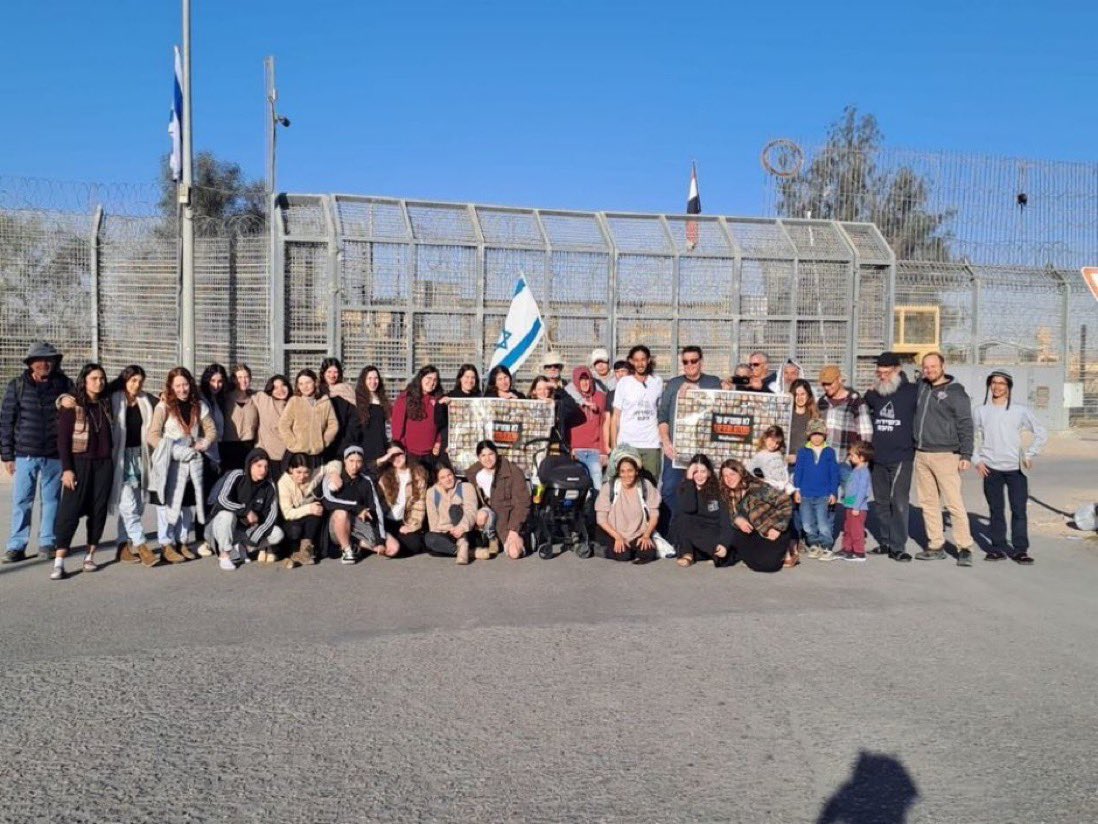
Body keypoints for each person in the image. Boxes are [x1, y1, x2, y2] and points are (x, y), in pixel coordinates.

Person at [1, 341, 73, 564]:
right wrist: (7, 455)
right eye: (39, 360)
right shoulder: (17, 385)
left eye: (49, 359)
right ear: (31, 363)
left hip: (54, 454)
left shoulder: (64, 384)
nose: (44, 364)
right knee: (22, 500)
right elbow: (6, 420)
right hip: (25, 454)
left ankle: (47, 543)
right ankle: (16, 545)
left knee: (52, 500)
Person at [973, 370, 1048, 564]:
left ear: (1009, 387)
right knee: (996, 510)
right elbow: (970, 436)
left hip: (1015, 470)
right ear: (989, 386)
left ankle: (1020, 549)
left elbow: (1040, 431)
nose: (997, 387)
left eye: (1002, 384)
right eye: (994, 383)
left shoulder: (1019, 411)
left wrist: (1030, 453)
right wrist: (976, 460)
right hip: (991, 469)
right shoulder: (981, 411)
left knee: (1019, 510)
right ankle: (997, 548)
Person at [50, 363, 114, 580]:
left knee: (98, 510)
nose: (99, 382)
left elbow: (129, 384)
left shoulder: (107, 403)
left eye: (102, 378)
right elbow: (63, 441)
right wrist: (67, 469)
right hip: (79, 464)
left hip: (104, 464)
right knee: (69, 511)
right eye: (94, 378)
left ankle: (90, 556)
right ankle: (59, 561)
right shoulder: (73, 405)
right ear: (84, 381)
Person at [147, 367, 217, 563]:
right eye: (177, 385)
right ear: (171, 386)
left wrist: (203, 443)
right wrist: (171, 450)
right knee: (167, 505)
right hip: (169, 464)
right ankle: (166, 544)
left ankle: (182, 541)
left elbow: (211, 430)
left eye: (185, 384)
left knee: (186, 505)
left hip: (191, 463)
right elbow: (152, 435)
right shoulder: (163, 407)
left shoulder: (199, 405)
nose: (182, 389)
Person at [914, 352, 976, 566]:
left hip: (946, 455)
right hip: (922, 454)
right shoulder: (922, 387)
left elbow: (966, 424)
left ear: (943, 366)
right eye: (926, 367)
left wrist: (966, 454)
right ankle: (935, 544)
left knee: (954, 503)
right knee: (928, 503)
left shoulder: (956, 393)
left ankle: (964, 547)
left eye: (933, 366)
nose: (929, 370)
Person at [656, 345, 722, 536]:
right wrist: (666, 442)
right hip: (678, 448)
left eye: (694, 361)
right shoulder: (674, 384)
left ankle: (701, 531)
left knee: (706, 492)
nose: (690, 365)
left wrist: (697, 392)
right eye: (686, 361)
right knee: (669, 490)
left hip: (704, 450)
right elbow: (663, 416)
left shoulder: (712, 382)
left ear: (701, 361)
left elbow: (720, 408)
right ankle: (680, 529)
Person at [863, 352, 918, 562]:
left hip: (902, 456)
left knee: (899, 502)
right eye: (880, 373)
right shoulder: (874, 394)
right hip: (878, 457)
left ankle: (898, 546)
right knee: (881, 502)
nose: (883, 376)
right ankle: (885, 542)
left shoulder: (913, 391)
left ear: (897, 370)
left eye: (887, 373)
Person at [106, 365, 157, 567]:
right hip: (120, 457)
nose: (137, 385)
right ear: (125, 380)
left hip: (140, 457)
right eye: (133, 380)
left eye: (140, 381)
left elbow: (164, 402)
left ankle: (122, 546)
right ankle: (142, 545)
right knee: (128, 506)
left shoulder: (146, 400)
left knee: (138, 505)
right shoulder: (113, 399)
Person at [207, 447, 283, 571]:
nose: (263, 470)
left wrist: (254, 537)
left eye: (266, 466)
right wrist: (246, 511)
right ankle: (225, 555)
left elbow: (272, 515)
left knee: (277, 533)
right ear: (250, 464)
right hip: (221, 526)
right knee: (226, 515)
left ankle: (244, 547)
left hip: (247, 530)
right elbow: (222, 499)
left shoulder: (269, 485)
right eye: (259, 466)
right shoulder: (237, 475)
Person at [714, 458, 795, 572]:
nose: (728, 479)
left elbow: (785, 501)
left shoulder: (757, 487)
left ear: (740, 473)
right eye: (725, 476)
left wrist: (777, 527)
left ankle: (788, 550)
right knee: (752, 562)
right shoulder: (727, 494)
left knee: (769, 566)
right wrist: (737, 519)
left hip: (773, 531)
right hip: (753, 532)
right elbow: (730, 515)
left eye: (732, 474)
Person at [322, 445, 392, 565]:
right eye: (351, 461)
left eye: (359, 461)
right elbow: (328, 502)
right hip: (336, 526)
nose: (355, 465)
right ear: (345, 461)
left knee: (392, 549)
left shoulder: (366, 481)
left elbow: (376, 509)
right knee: (341, 513)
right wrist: (358, 508)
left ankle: (356, 543)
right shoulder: (333, 477)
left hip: (358, 525)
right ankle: (346, 550)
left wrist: (380, 541)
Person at [465, 440, 530, 560]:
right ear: (478, 458)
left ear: (496, 454)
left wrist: (514, 529)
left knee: (514, 553)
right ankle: (490, 541)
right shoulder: (476, 474)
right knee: (481, 515)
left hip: (508, 520)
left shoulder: (512, 472)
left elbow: (522, 503)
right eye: (483, 456)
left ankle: (525, 538)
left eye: (490, 454)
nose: (487, 459)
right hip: (488, 518)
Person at [594, 448, 661, 564]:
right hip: (613, 531)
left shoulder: (645, 485)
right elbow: (601, 519)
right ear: (618, 473)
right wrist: (617, 537)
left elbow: (654, 514)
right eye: (622, 471)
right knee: (623, 555)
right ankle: (597, 548)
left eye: (630, 470)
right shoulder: (609, 487)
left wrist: (646, 535)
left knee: (649, 553)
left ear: (636, 471)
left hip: (638, 532)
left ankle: (632, 548)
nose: (626, 475)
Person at [610, 345, 664, 481]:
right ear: (631, 361)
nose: (640, 364)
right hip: (627, 444)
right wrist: (614, 447)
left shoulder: (657, 382)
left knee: (650, 485)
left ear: (648, 360)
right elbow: (615, 417)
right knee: (625, 485)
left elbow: (659, 412)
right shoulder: (624, 383)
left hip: (651, 444)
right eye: (636, 360)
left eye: (643, 359)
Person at [278, 452, 340, 567]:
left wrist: (335, 474)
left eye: (306, 472)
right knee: (296, 528)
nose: (302, 476)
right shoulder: (283, 483)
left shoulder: (313, 475)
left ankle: (305, 550)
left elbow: (335, 464)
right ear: (291, 469)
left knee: (317, 510)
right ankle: (294, 552)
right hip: (291, 520)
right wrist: (309, 508)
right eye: (298, 472)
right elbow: (287, 513)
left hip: (308, 519)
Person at [194, 364, 229, 555]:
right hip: (204, 454)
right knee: (204, 498)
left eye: (220, 381)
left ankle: (209, 536)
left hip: (215, 454)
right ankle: (203, 539)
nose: (216, 384)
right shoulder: (201, 399)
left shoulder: (217, 399)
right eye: (213, 380)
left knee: (211, 497)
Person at [793, 419, 840, 560]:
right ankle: (814, 544)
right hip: (805, 494)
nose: (817, 437)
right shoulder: (803, 451)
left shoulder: (829, 452)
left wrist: (833, 493)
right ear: (809, 435)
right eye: (814, 434)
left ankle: (826, 546)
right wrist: (797, 490)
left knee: (823, 523)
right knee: (807, 524)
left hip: (823, 495)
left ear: (825, 435)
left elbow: (834, 473)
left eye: (820, 434)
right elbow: (798, 472)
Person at [278, 369, 338, 471]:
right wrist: (293, 443)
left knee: (314, 485)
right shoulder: (294, 401)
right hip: (296, 454)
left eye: (308, 383)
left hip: (316, 455)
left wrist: (323, 441)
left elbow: (333, 424)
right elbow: (283, 425)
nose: (304, 387)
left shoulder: (324, 401)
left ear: (315, 382)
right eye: (301, 384)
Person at [816, 365, 873, 473]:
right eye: (824, 384)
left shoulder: (856, 402)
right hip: (825, 463)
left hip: (847, 464)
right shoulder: (822, 402)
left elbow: (866, 435)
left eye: (829, 383)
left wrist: (855, 460)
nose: (826, 387)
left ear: (839, 380)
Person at [376, 443, 428, 556]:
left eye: (398, 454)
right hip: (385, 520)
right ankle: (390, 544)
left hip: (403, 520)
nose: (396, 458)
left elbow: (419, 503)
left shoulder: (418, 475)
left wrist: (412, 525)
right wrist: (382, 460)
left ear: (405, 452)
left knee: (415, 545)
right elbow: (366, 473)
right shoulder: (384, 476)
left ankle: (390, 546)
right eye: (392, 456)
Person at [674, 454, 724, 567]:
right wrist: (689, 481)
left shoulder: (717, 490)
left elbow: (721, 518)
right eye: (695, 472)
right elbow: (689, 508)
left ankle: (710, 553)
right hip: (690, 534)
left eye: (703, 471)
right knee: (684, 519)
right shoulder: (685, 488)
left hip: (710, 532)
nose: (699, 476)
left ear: (709, 473)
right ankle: (688, 555)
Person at [424, 462, 478, 564]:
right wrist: (451, 529)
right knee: (429, 538)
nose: (448, 479)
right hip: (447, 533)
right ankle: (468, 552)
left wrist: (461, 528)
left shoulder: (466, 487)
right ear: (438, 481)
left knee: (454, 509)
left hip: (466, 531)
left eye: (449, 475)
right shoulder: (431, 493)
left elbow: (471, 512)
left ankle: (462, 544)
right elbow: (434, 525)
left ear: (453, 474)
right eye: (443, 477)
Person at [564, 366, 609, 488]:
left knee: (597, 479)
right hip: (576, 450)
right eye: (581, 379)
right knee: (577, 485)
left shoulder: (600, 397)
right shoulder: (570, 398)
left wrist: (603, 451)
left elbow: (603, 424)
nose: (585, 383)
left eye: (587, 379)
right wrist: (569, 448)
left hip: (594, 449)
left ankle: (598, 506)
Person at [391, 365, 444, 465]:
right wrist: (399, 448)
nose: (432, 382)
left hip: (430, 454)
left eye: (435, 380)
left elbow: (441, 426)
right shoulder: (405, 397)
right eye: (428, 378)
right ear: (420, 378)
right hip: (410, 453)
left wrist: (438, 441)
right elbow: (397, 427)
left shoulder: (437, 399)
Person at [220, 364, 259, 473]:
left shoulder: (255, 398)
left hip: (249, 446)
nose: (243, 380)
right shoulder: (225, 398)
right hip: (229, 446)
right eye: (239, 377)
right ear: (233, 379)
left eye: (246, 377)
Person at [349, 365, 391, 466]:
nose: (373, 382)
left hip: (381, 450)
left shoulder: (382, 401)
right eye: (369, 378)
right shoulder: (357, 401)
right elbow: (353, 431)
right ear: (363, 380)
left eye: (376, 378)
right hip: (365, 452)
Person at [320, 358, 359, 463]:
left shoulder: (346, 390)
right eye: (329, 372)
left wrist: (347, 441)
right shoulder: (317, 391)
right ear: (323, 373)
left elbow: (354, 419)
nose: (332, 375)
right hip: (321, 444)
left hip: (342, 444)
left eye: (335, 372)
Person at [840, 442, 873, 562]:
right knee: (848, 528)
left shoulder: (863, 472)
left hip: (857, 508)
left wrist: (856, 507)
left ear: (862, 458)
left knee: (856, 530)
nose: (850, 457)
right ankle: (847, 549)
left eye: (853, 455)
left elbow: (862, 491)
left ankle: (859, 552)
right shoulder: (856, 469)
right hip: (850, 505)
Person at [529, 375, 582, 450]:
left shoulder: (558, 404)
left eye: (546, 389)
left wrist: (557, 389)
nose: (543, 392)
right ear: (534, 391)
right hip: (534, 446)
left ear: (550, 390)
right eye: (539, 389)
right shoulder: (528, 406)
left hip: (554, 447)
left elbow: (574, 409)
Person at [253, 374, 291, 474]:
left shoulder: (293, 403)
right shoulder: (263, 399)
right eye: (275, 387)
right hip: (267, 455)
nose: (280, 390)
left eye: (283, 385)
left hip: (288, 455)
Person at [603, 360, 631, 446]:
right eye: (617, 372)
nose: (620, 374)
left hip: (634, 439)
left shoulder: (636, 392)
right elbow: (607, 421)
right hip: (617, 440)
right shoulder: (611, 394)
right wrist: (607, 445)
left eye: (623, 371)